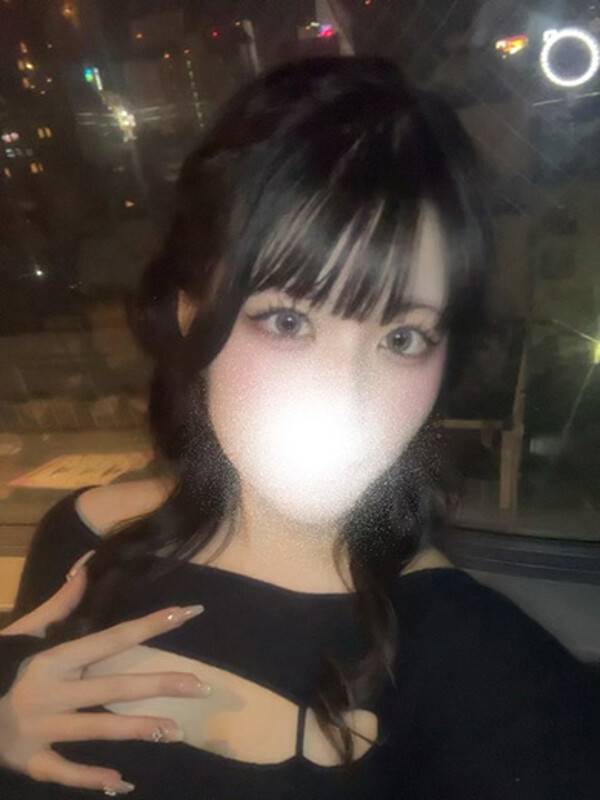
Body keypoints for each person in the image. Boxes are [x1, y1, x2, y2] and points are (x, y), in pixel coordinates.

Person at [0, 56, 598, 800]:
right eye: (288, 321)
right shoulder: (82, 542)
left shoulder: (477, 661)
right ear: (191, 317)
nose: (346, 397)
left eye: (402, 337)